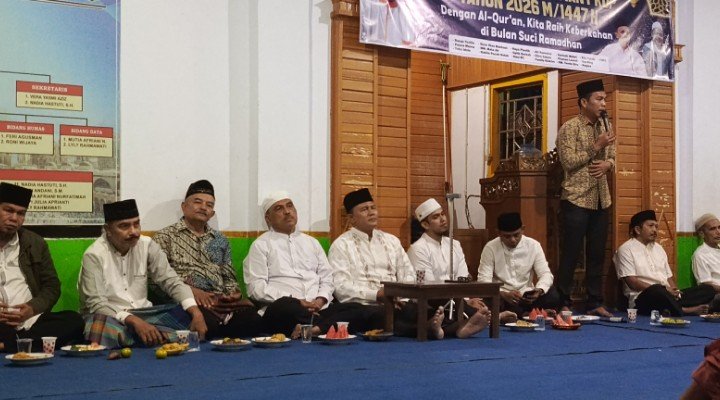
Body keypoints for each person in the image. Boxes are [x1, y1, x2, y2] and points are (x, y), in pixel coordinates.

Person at [329, 189, 485, 339]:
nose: (371, 212)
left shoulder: (391, 241)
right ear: (351, 218)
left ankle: (444, 327)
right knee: (381, 315)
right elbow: (341, 287)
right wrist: (378, 294)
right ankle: (444, 329)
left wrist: (401, 296)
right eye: (364, 210)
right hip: (364, 304)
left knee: (426, 308)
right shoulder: (341, 245)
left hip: (397, 301)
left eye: (373, 208)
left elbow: (408, 274)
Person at [78, 199, 208, 348]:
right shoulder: (94, 255)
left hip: (145, 314)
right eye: (124, 226)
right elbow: (97, 304)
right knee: (97, 326)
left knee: (185, 313)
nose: (133, 231)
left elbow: (171, 281)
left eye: (136, 224)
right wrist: (134, 321)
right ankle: (162, 336)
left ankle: (139, 338)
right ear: (108, 229)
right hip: (111, 316)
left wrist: (196, 312)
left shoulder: (147, 245)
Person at [152, 180, 263, 339]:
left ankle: (224, 327)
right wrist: (190, 293)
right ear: (184, 206)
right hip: (186, 303)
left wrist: (232, 295)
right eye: (198, 202)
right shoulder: (165, 237)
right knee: (207, 323)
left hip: (220, 303)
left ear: (212, 213)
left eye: (209, 205)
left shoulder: (220, 240)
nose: (203, 207)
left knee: (253, 320)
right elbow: (156, 282)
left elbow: (229, 279)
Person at [243, 191, 358, 338]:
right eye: (279, 208)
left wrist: (320, 300)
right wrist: (297, 301)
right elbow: (256, 288)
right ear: (268, 218)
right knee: (284, 306)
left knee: (356, 308)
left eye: (290, 206)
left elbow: (327, 278)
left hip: (319, 308)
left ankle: (314, 328)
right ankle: (326, 326)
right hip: (285, 310)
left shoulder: (312, 243)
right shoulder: (261, 245)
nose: (287, 211)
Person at [556, 79, 616, 317]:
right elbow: (568, 162)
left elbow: (613, 155)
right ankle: (562, 301)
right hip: (576, 198)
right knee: (571, 253)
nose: (604, 103)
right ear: (583, 102)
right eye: (598, 99)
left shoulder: (606, 125)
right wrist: (596, 146)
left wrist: (608, 164)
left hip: (601, 198)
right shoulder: (569, 128)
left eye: (604, 99)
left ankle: (595, 302)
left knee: (597, 253)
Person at [0, 182, 83, 352]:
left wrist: (32, 309)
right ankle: (23, 344)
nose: (14, 218)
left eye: (21, 213)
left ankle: (9, 345)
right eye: (8, 210)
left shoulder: (35, 243)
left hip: (29, 321)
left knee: (74, 320)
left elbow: (51, 287)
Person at [407, 198, 497, 336]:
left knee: (477, 303)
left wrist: (466, 299)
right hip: (432, 300)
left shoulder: (454, 245)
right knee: (433, 310)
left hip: (456, 298)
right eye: (436, 217)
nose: (443, 219)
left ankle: (451, 326)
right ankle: (461, 325)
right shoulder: (417, 249)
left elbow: (463, 277)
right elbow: (426, 284)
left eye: (443, 214)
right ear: (425, 224)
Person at [614, 210, 718, 316]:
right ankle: (685, 310)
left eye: (656, 226)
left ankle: (674, 306)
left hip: (667, 294)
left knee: (707, 290)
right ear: (637, 229)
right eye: (650, 226)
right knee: (657, 289)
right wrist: (665, 290)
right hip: (644, 297)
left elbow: (669, 278)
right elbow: (632, 282)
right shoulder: (626, 250)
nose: (655, 230)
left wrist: (676, 292)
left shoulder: (659, 248)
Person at [478, 212, 561, 317]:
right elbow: (484, 281)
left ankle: (527, 313)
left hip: (527, 297)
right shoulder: (490, 248)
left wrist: (539, 290)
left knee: (553, 294)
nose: (513, 240)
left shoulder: (533, 245)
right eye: (507, 236)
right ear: (498, 233)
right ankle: (533, 313)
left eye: (516, 235)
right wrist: (502, 294)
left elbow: (545, 274)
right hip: (503, 298)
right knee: (490, 301)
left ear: (523, 229)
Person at [692, 213, 720, 293]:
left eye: (719, 227)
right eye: (712, 229)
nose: (718, 232)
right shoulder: (700, 255)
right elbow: (705, 284)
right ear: (702, 234)